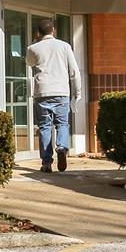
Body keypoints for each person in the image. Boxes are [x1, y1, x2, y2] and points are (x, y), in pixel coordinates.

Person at [24, 20, 80, 173]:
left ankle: (47, 163)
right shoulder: (65, 46)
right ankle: (62, 147)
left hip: (42, 91)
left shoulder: (33, 48)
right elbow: (74, 72)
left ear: (37, 33)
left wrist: (37, 43)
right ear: (53, 31)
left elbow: (29, 62)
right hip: (61, 91)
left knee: (44, 127)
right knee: (62, 124)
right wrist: (77, 93)